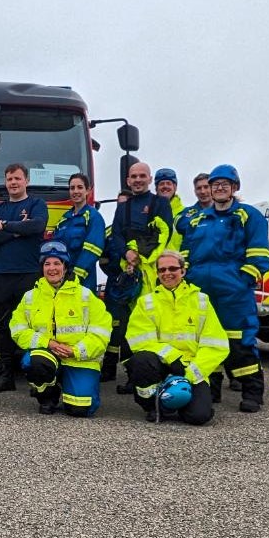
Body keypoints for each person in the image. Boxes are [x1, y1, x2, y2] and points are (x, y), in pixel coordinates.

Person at [175, 164, 269, 412]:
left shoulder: (248, 216)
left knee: (240, 342)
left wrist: (241, 282)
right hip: (201, 291)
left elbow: (260, 256)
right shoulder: (198, 219)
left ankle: (251, 393)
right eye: (214, 184)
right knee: (204, 342)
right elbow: (185, 253)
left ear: (234, 188)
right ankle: (211, 390)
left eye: (224, 184)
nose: (218, 188)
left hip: (233, 292)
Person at [124, 250, 228, 425]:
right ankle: (154, 407)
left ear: (183, 270)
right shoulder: (146, 302)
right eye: (162, 270)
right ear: (157, 273)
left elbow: (216, 345)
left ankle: (177, 402)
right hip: (160, 366)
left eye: (172, 268)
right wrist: (173, 358)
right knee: (140, 360)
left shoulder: (201, 301)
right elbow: (140, 340)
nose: (167, 273)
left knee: (199, 417)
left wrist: (189, 375)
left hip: (192, 369)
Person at [9, 241, 111, 417]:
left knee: (81, 409)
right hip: (48, 353)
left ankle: (67, 382)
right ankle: (49, 396)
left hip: (79, 358)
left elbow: (101, 333)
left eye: (57, 263)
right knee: (35, 362)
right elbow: (17, 329)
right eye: (47, 264)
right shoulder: (30, 297)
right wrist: (48, 343)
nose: (52, 268)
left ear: (65, 267)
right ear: (42, 268)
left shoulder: (86, 296)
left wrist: (75, 351)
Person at [99, 161, 175, 387]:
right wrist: (126, 252)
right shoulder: (123, 207)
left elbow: (163, 233)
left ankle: (143, 375)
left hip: (150, 274)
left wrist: (140, 256)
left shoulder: (160, 204)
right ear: (128, 181)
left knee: (145, 325)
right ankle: (122, 371)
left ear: (150, 179)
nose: (138, 180)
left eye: (142, 175)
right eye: (134, 176)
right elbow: (117, 237)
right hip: (126, 273)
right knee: (121, 324)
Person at [0, 163, 48, 393]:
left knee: (34, 325)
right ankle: (6, 375)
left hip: (29, 274)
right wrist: (19, 232)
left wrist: (7, 227)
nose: (13, 183)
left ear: (26, 180)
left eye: (17, 178)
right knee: (5, 327)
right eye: (9, 179)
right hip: (4, 275)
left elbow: (38, 226)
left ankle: (36, 375)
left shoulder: (36, 204)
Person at [51, 172, 105, 292]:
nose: (75, 191)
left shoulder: (93, 216)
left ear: (87, 191)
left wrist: (76, 275)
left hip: (83, 281)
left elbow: (93, 249)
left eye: (80, 187)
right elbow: (55, 248)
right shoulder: (64, 219)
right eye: (72, 188)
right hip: (61, 280)